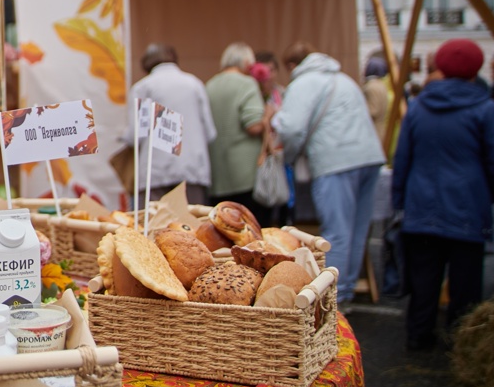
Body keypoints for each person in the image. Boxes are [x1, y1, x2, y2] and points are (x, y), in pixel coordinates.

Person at [392, 38, 494, 350]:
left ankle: (418, 335)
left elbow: (402, 159)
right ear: (476, 69)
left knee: (423, 279)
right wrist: (487, 194)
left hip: (422, 206)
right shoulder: (485, 109)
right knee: (467, 282)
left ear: (440, 67)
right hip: (468, 205)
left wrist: (399, 201)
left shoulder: (418, 107)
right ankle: (463, 342)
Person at [274, 42, 386, 308]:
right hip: (370, 157)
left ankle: (332, 299)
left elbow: (291, 128)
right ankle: (345, 291)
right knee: (357, 230)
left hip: (336, 160)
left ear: (292, 66)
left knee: (336, 233)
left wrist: (287, 154)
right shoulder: (343, 78)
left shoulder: (303, 83)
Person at [117, 43, 216, 207]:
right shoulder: (194, 84)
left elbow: (136, 135)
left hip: (155, 172)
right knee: (192, 227)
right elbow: (210, 133)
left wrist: (123, 138)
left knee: (153, 228)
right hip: (192, 170)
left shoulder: (143, 87)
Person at [205, 42, 269, 220]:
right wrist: (268, 117)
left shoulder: (210, 85)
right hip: (245, 174)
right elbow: (253, 126)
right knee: (250, 228)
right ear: (247, 62)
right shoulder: (247, 84)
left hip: (217, 173)